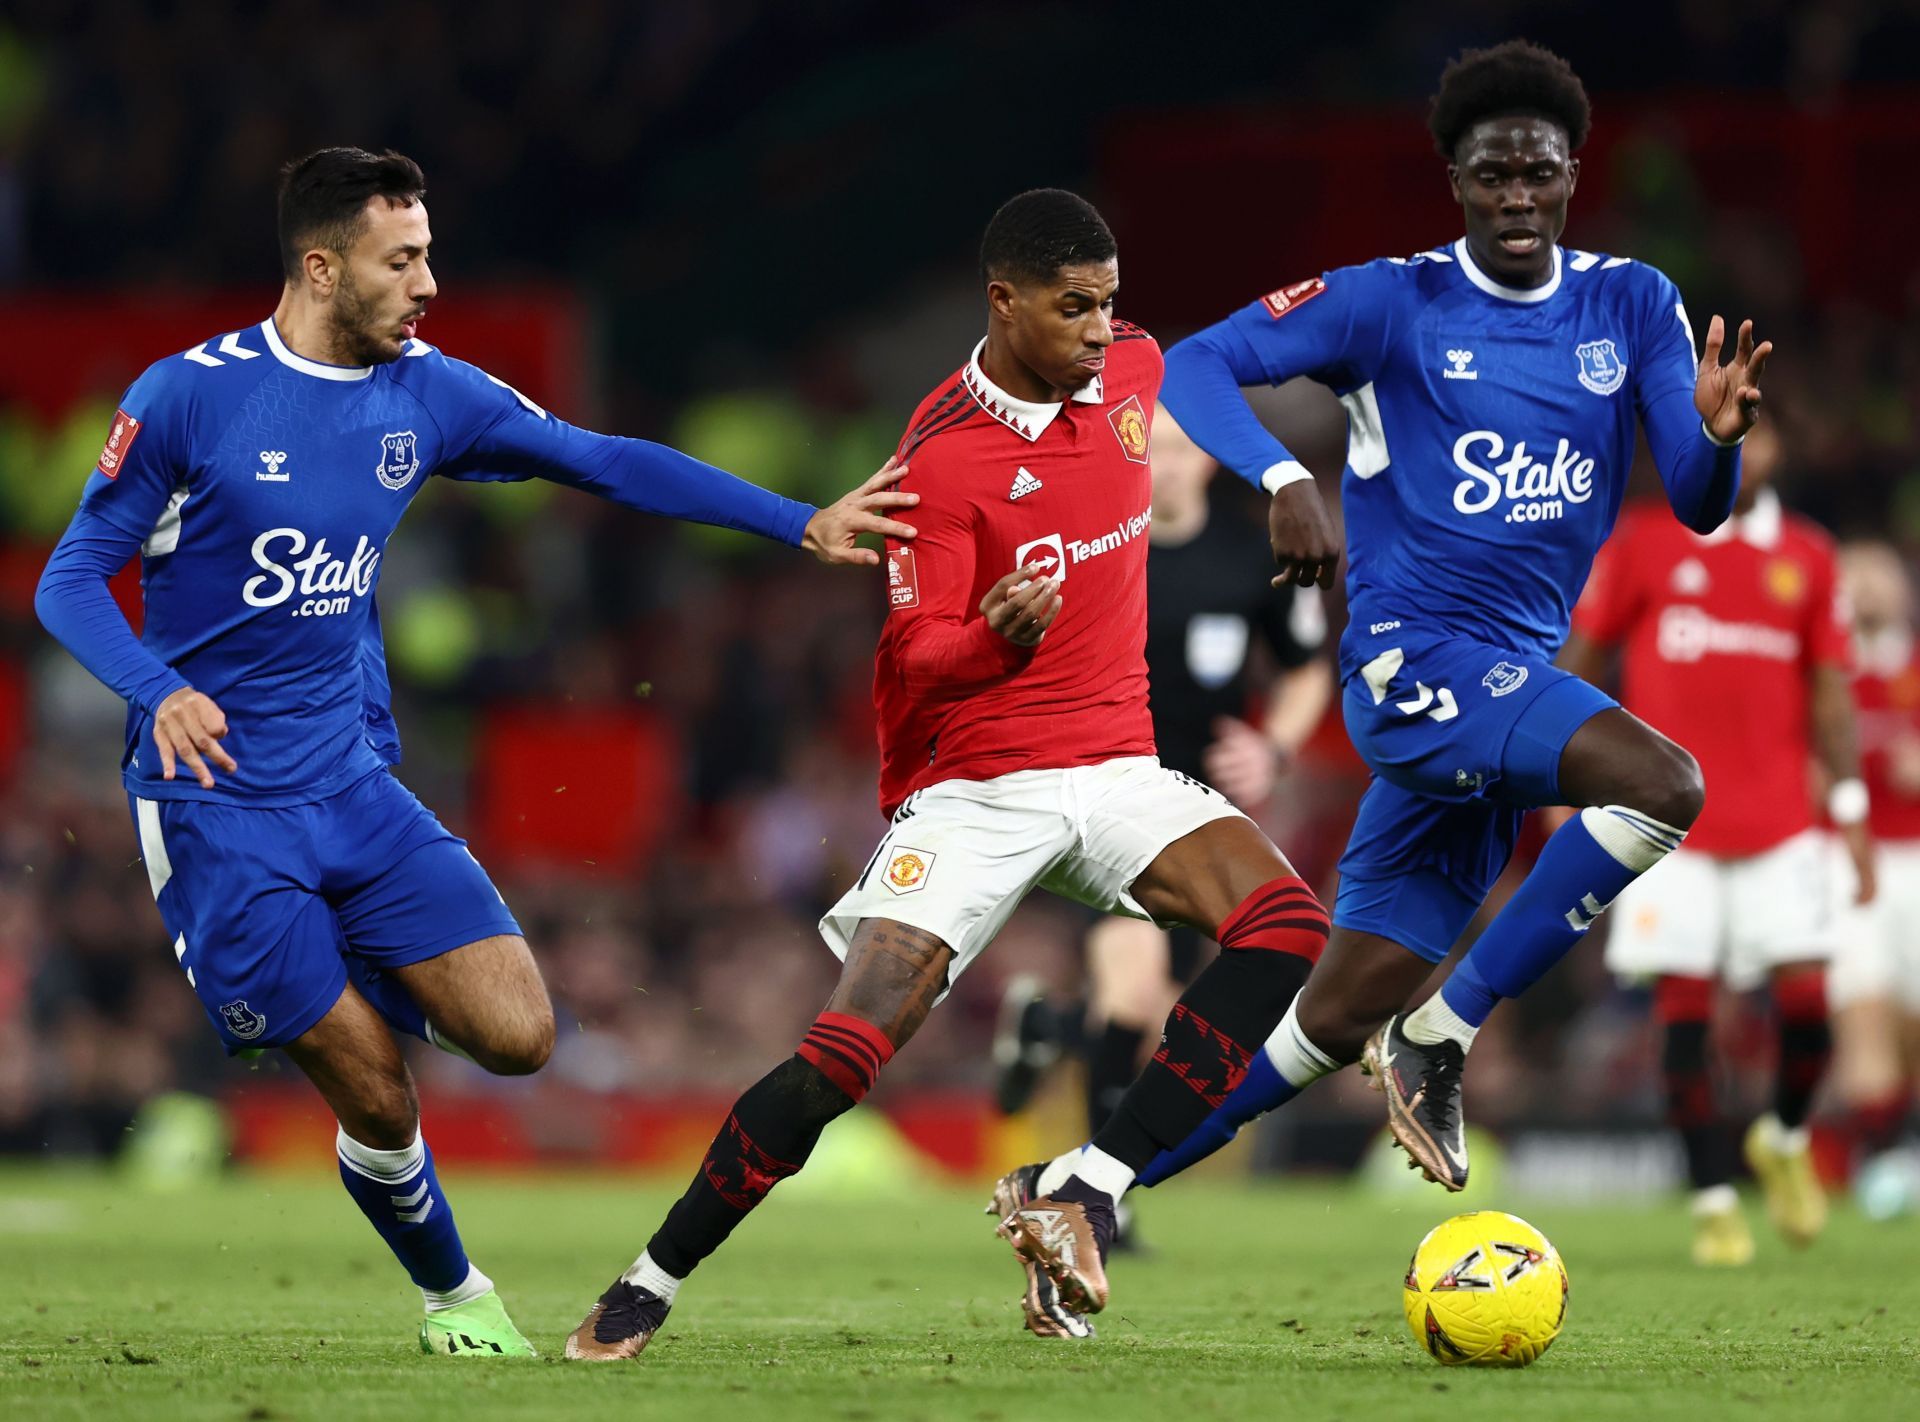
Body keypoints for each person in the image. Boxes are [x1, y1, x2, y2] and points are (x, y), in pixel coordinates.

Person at [32, 146, 916, 1359]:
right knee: (378, 1088)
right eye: (404, 260)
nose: (429, 282)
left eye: (431, 253)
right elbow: (71, 578)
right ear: (322, 266)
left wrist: (793, 519)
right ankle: (459, 1296)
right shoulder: (192, 396)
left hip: (353, 785)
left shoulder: (427, 392)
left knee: (521, 1036)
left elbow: (603, 459)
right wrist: (159, 686)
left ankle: (331, 976)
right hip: (216, 807)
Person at [562, 189, 1330, 1359]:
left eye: (1111, 304)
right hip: (980, 787)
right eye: (1075, 308)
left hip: (1121, 765)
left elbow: (1218, 374)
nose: (1100, 330)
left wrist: (1281, 480)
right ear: (1002, 302)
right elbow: (920, 656)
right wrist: (997, 640)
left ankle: (1083, 1187)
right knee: (841, 1059)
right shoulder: (943, 457)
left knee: (1283, 928)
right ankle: (652, 1277)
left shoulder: (1132, 368)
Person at [1058, 38, 1773, 1197]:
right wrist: (1286, 480)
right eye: (1493, 175)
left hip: (1502, 693)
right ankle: (1447, 1034)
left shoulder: (1633, 303)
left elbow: (1696, 505)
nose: (1517, 197)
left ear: (1572, 173)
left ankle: (1084, 1185)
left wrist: (1721, 442)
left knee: (1328, 1022)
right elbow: (1195, 363)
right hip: (1416, 668)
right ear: (1458, 182)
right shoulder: (1393, 300)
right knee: (1666, 784)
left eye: (1537, 172)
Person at [991, 410, 1331, 1230]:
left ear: (1211, 464)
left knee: (1173, 1012)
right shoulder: (1095, 547)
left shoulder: (1253, 556)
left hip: (1203, 820)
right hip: (1102, 801)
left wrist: (1273, 749)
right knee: (1138, 993)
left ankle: (1053, 1026)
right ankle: (1098, 1201)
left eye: (1184, 451)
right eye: (1154, 452)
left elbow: (1307, 670)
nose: (1168, 468)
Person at [1559, 423, 1868, 1264]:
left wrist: (1849, 805)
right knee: (1684, 1021)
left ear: (1778, 450)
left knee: (1808, 1010)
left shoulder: (1808, 554)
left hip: (1782, 828)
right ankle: (1714, 1200)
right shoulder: (1648, 543)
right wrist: (1560, 776)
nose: (1748, 448)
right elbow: (1583, 662)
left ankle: (1785, 1136)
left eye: (1763, 433)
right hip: (1666, 831)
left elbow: (1832, 693)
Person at [1828, 542, 1920, 1218]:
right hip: (1843, 860)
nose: (1866, 586)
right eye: (1854, 573)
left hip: (1915, 856)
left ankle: (1900, 1145)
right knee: (1863, 1005)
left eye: (1878, 573)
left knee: (1911, 1018)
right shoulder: (1822, 671)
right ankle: (1882, 1159)